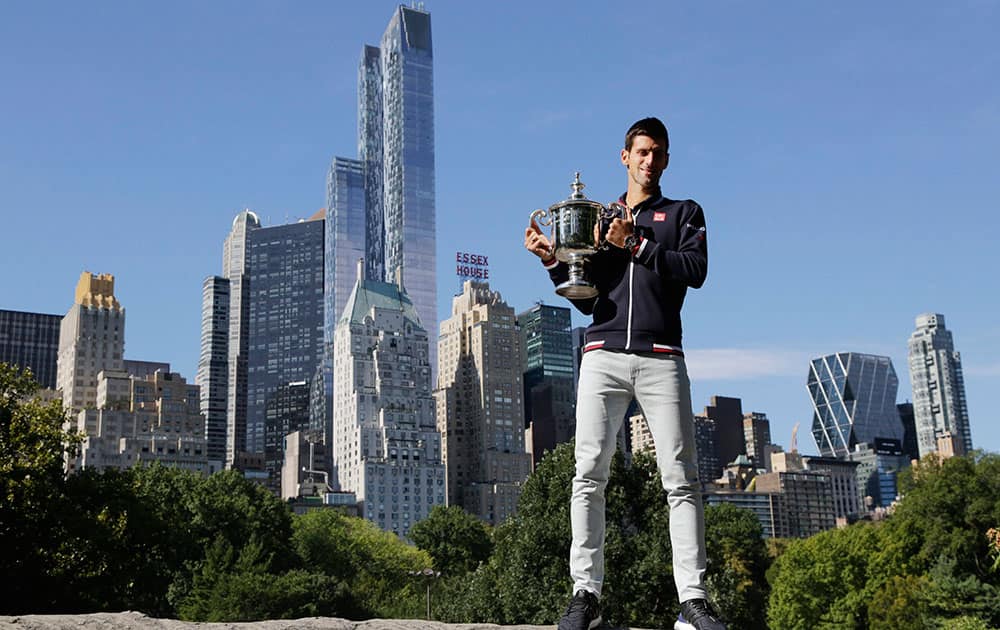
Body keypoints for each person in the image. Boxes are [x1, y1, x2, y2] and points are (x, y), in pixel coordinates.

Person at [524, 117, 724, 630]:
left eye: (658, 153)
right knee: (588, 475)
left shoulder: (683, 213)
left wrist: (635, 242)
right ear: (624, 157)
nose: (649, 161)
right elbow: (587, 294)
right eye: (641, 152)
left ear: (667, 159)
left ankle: (693, 602)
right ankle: (585, 596)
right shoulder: (597, 218)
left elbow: (694, 271)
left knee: (681, 482)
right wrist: (553, 262)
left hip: (662, 357)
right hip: (603, 354)